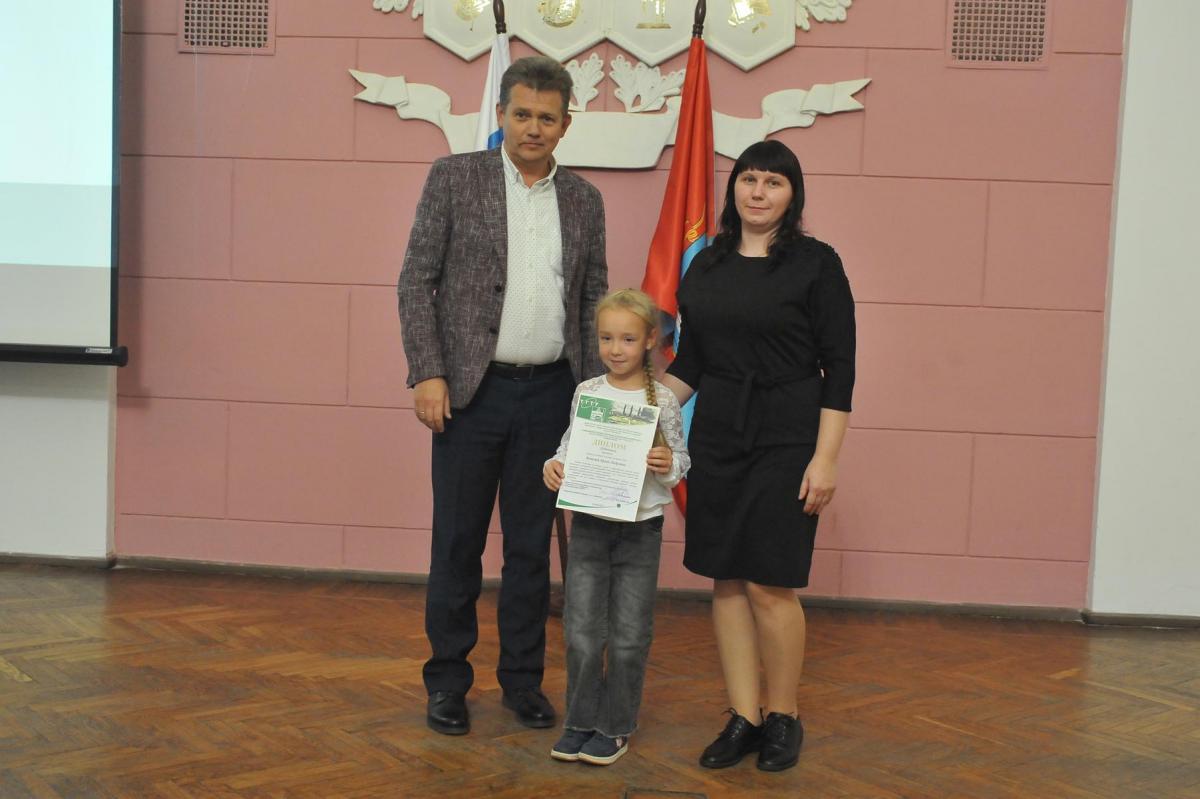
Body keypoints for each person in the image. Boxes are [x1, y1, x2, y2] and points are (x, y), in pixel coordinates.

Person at [397, 55, 608, 737]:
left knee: (529, 549)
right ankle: (447, 682)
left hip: (551, 395)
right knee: (457, 543)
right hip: (469, 394)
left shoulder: (585, 200)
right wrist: (428, 372)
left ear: (566, 124)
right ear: (501, 115)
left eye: (547, 117)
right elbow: (416, 280)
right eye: (522, 114)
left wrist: (593, 400)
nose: (533, 128)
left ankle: (522, 681)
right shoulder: (454, 178)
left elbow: (593, 301)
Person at [660, 140, 855, 772]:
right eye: (749, 179)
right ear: (734, 188)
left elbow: (840, 369)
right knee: (725, 577)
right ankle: (743, 716)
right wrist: (622, 410)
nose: (759, 192)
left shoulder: (816, 264)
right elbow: (691, 363)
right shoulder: (707, 262)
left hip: (787, 436)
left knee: (770, 583)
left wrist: (825, 460)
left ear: (793, 195)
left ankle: (783, 716)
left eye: (774, 182)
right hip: (719, 433)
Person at [542, 289, 689, 766]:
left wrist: (666, 463)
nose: (615, 349)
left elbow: (680, 462)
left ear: (649, 340)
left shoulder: (663, 400)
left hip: (640, 531)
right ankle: (579, 721)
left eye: (627, 339)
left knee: (628, 636)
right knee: (582, 633)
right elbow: (569, 446)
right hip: (589, 525)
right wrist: (554, 465)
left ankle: (615, 726)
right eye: (606, 338)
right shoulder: (587, 392)